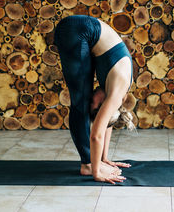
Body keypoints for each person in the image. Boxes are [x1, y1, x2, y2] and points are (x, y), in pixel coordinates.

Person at [54, 14, 134, 184]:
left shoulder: (116, 93)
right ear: (103, 104)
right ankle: (88, 165)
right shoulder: (116, 91)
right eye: (94, 104)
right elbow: (96, 135)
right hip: (77, 30)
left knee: (81, 99)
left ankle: (92, 162)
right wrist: (97, 172)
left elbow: (106, 125)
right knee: (80, 103)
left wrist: (105, 158)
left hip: (78, 30)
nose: (92, 99)